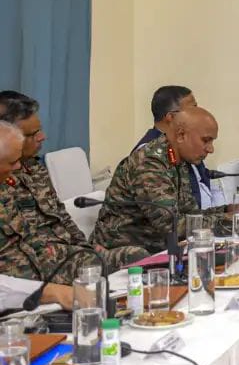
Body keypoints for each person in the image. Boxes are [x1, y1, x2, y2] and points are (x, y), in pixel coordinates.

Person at [0, 92, 148, 278]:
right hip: (41, 266)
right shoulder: (4, 179)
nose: (42, 137)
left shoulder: (35, 169)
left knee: (137, 257)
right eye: (33, 134)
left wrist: (86, 248)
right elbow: (22, 245)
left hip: (69, 254)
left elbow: (61, 216)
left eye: (40, 130)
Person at [95, 107, 229, 254]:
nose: (210, 149)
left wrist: (228, 210)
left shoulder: (178, 159)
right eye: (206, 140)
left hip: (155, 249)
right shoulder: (149, 163)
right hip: (124, 252)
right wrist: (227, 219)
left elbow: (190, 214)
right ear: (181, 135)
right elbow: (172, 225)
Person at [0, 121, 78, 311]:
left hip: (31, 292)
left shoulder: (5, 190)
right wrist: (50, 292)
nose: (18, 167)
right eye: (12, 162)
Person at [133, 85, 220, 209]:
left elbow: (191, 209)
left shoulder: (182, 149)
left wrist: (227, 211)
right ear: (170, 117)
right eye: (192, 109)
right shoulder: (149, 157)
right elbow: (170, 217)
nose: (198, 113)